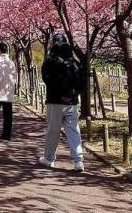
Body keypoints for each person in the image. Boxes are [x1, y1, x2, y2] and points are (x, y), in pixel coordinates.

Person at [38, 33, 86, 173]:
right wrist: (72, 95)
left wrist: (59, 94)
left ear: (53, 43)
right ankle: (78, 161)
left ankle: (49, 158)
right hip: (72, 102)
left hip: (55, 101)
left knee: (53, 130)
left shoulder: (50, 60)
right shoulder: (75, 61)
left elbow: (46, 79)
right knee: (73, 130)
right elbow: (82, 82)